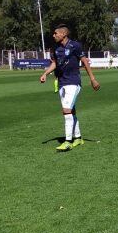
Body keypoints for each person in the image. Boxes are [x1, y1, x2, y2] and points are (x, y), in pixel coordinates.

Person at [39, 24, 101, 152]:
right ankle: (78, 138)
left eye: (56, 33)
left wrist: (92, 79)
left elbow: (84, 62)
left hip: (73, 82)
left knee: (66, 110)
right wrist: (45, 73)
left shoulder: (75, 46)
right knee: (71, 111)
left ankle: (68, 141)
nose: (53, 35)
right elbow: (55, 63)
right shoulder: (55, 48)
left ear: (63, 34)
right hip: (61, 83)